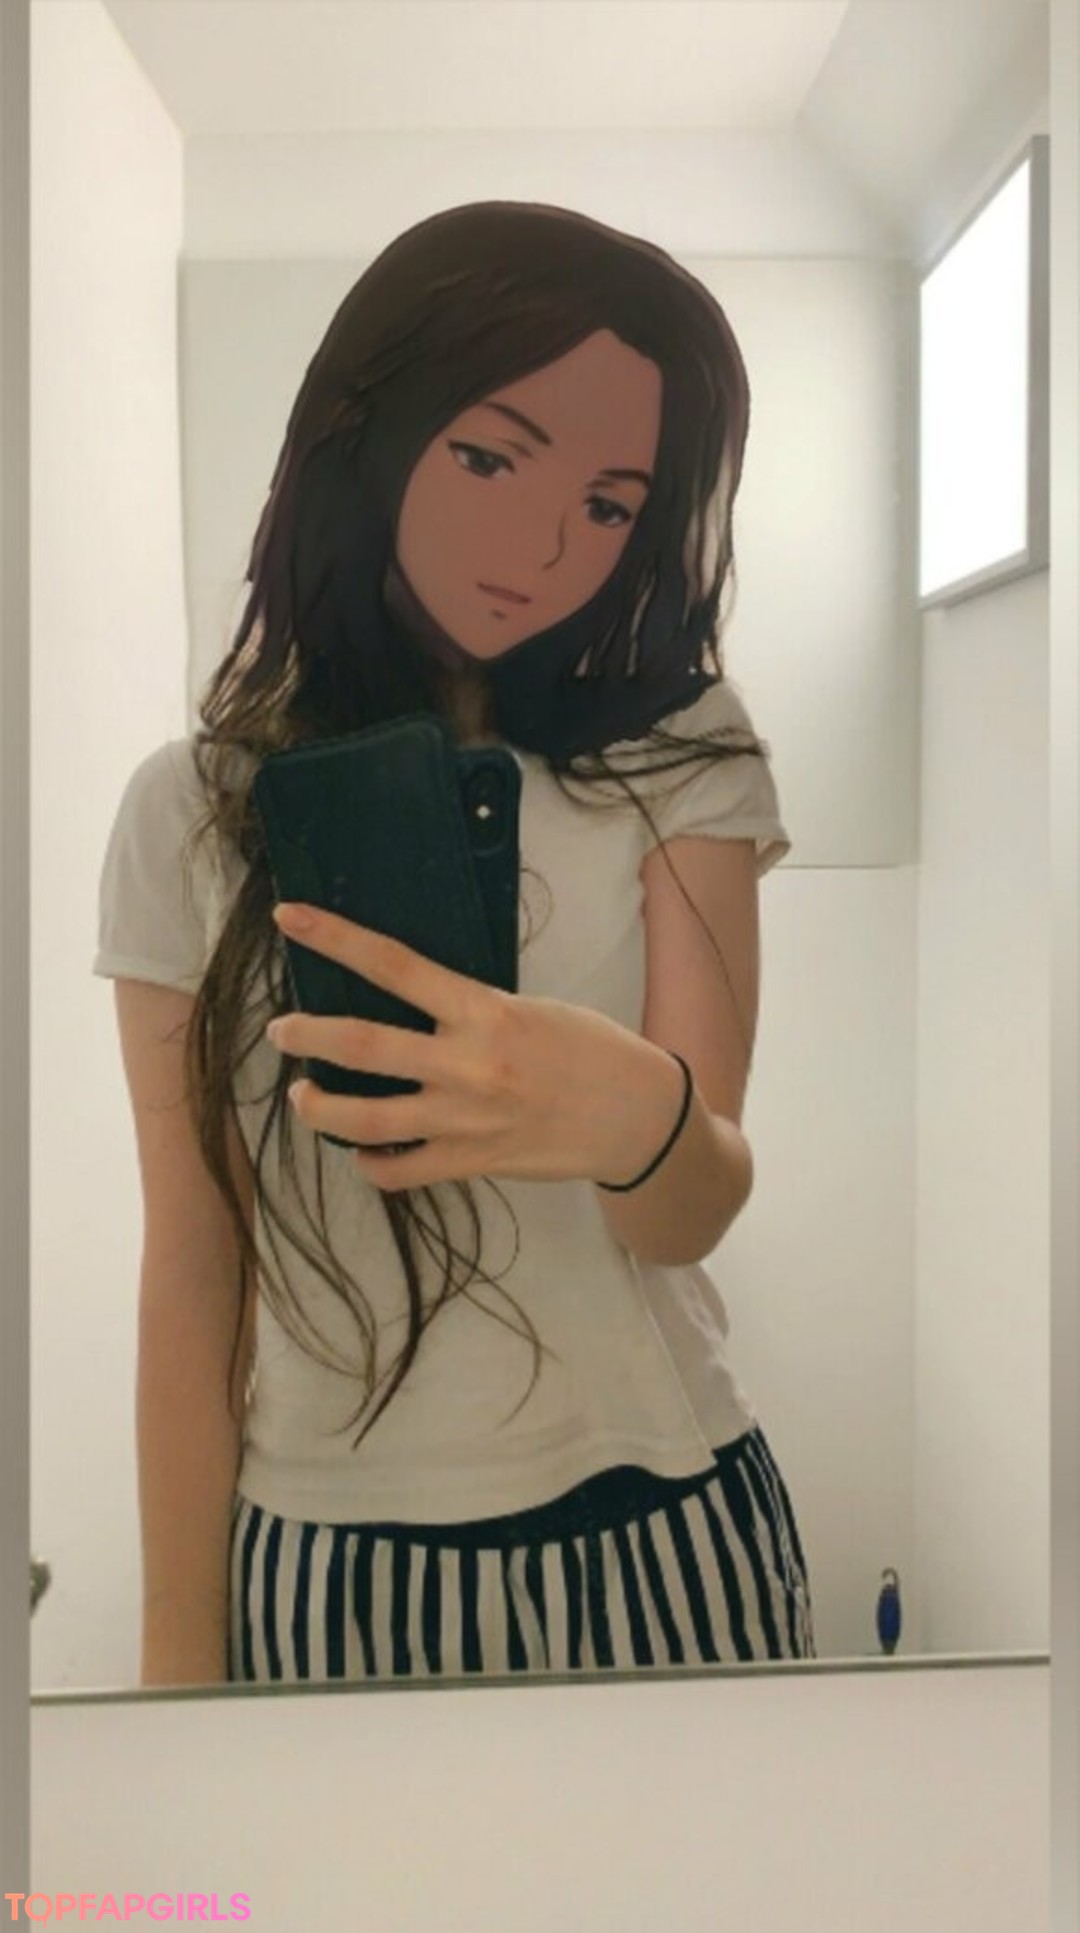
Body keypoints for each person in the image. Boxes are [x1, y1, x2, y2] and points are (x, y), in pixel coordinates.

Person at [94, 200, 816, 1687]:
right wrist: (175, 1657)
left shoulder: (681, 753)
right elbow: (196, 1265)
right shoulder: (191, 810)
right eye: (491, 459)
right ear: (367, 434)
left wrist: (632, 1114)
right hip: (324, 1550)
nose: (544, 548)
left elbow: (687, 1211)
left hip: (667, 1515)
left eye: (608, 505)